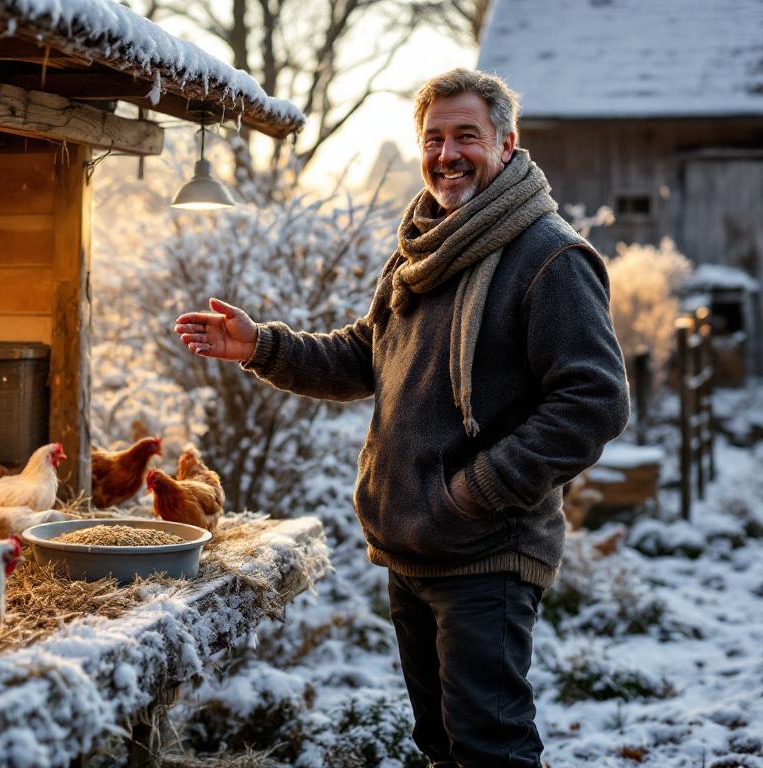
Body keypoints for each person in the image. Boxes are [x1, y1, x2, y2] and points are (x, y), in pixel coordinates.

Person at [172, 68, 629, 767]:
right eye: (434, 138)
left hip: (486, 551)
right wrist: (261, 345)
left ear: (506, 144)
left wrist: (473, 493)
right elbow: (366, 356)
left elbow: (594, 401)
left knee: (489, 747)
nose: (447, 154)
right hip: (413, 545)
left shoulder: (550, 256)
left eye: (466, 136)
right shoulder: (423, 248)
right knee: (440, 743)